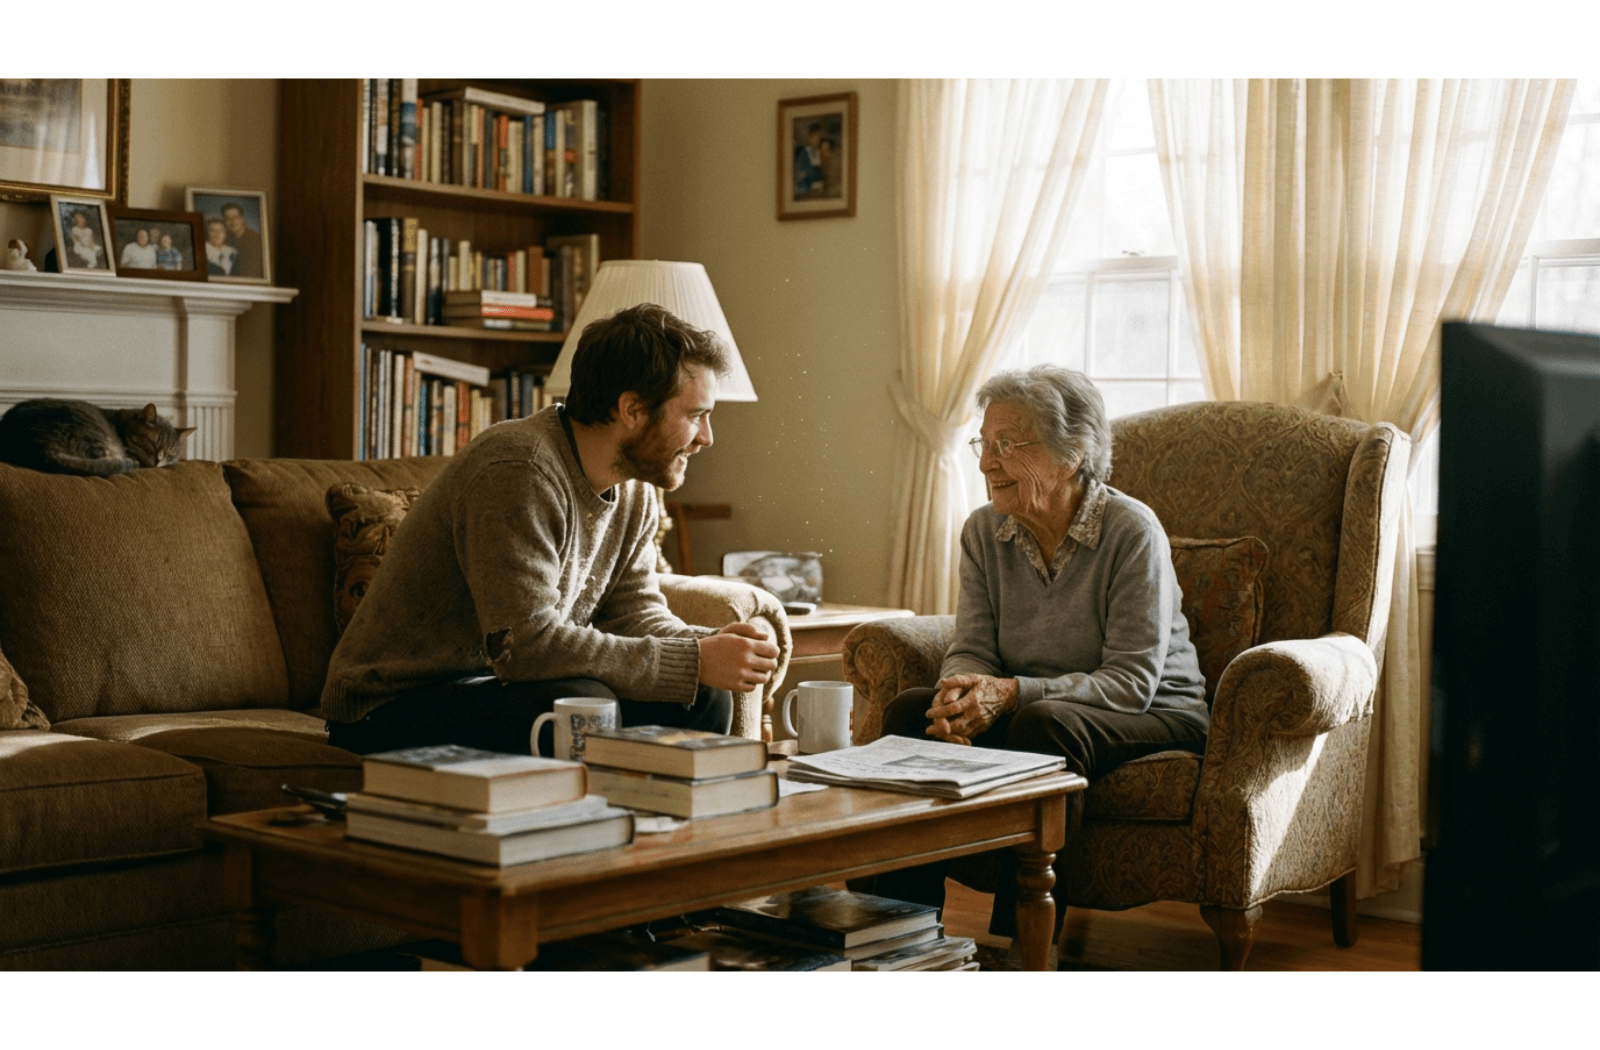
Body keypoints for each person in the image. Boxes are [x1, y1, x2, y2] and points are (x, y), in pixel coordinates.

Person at [321, 303, 780, 756]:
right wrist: (694, 660)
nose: (707, 437)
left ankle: (659, 823)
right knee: (580, 703)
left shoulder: (634, 489)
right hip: (389, 706)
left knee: (702, 694)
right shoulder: (518, 469)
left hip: (494, 689)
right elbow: (527, 647)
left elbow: (633, 614)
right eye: (696, 415)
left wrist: (709, 647)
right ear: (632, 410)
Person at [869, 364, 1210, 942]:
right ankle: (897, 941)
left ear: (1072, 452)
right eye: (984, 442)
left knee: (1044, 724)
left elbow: (1130, 682)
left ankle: (1018, 945)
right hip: (1035, 710)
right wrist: (959, 695)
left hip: (1156, 713)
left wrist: (1008, 693)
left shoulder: (1133, 532)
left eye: (1007, 444)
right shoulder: (984, 532)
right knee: (909, 711)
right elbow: (972, 646)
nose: (985, 462)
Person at [220, 202, 263, 278]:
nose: (232, 221)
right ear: (224, 221)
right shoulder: (223, 241)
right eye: (228, 218)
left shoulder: (258, 239)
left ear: (243, 218)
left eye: (235, 217)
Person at [794, 122, 824, 198]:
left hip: (820, 190)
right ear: (810, 136)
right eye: (815, 136)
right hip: (807, 191)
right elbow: (802, 174)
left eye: (819, 137)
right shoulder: (804, 152)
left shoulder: (819, 152)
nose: (817, 139)